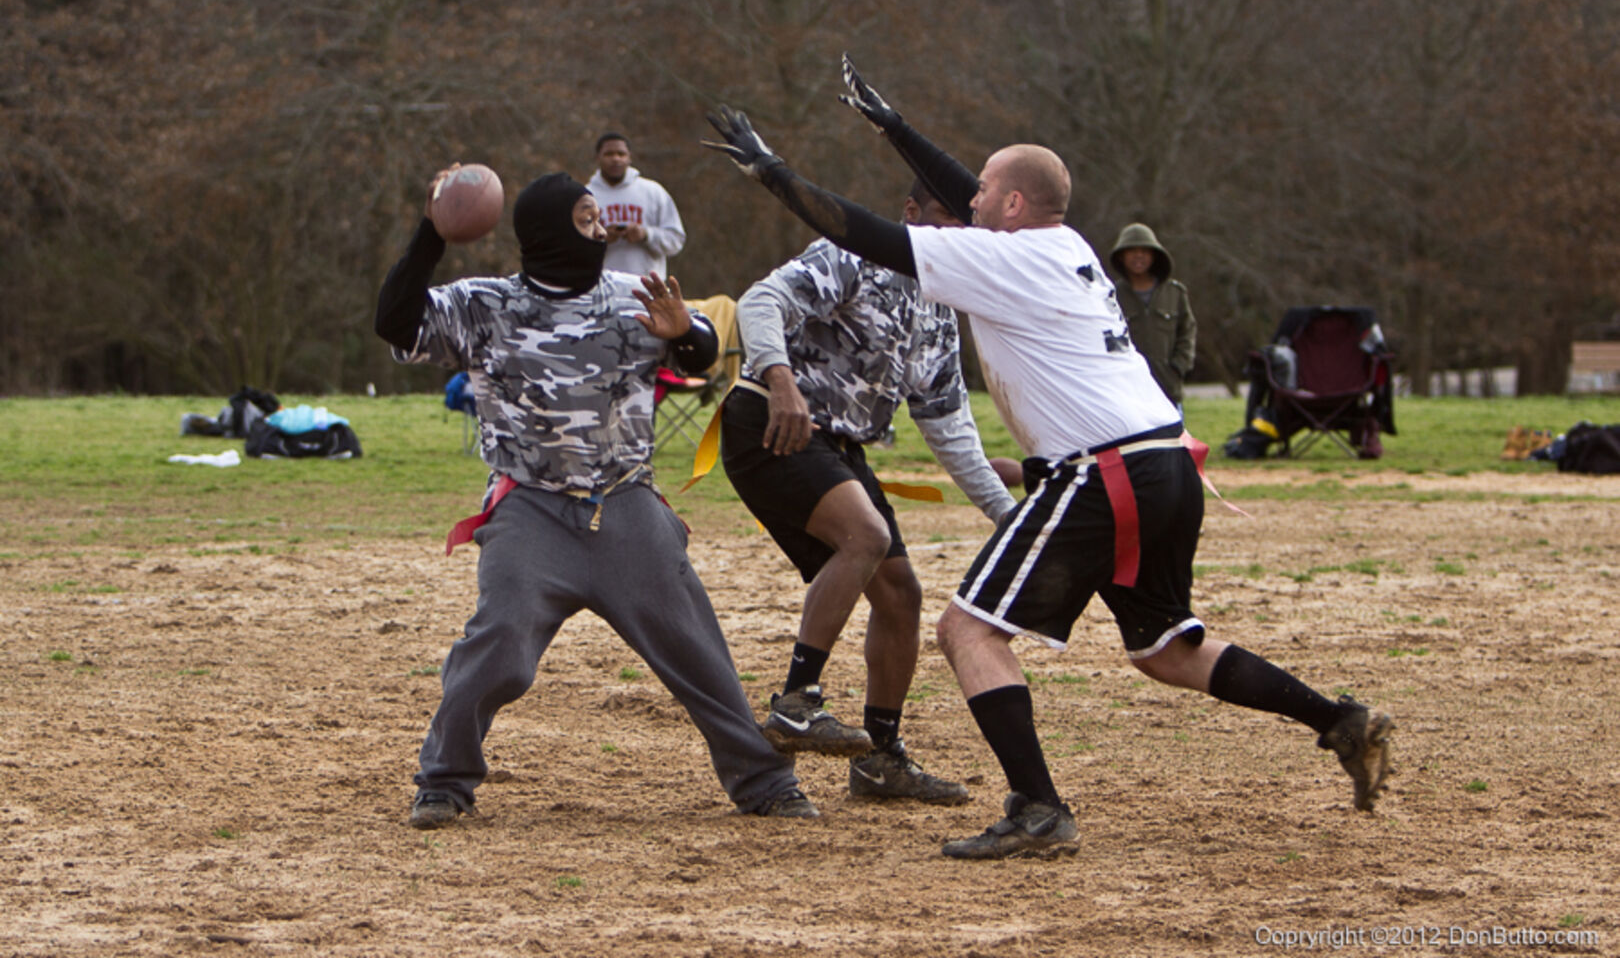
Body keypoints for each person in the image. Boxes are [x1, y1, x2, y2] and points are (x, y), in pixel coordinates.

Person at [700, 55, 1394, 859]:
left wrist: (775, 174)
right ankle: (1339, 720)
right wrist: (895, 130)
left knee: (968, 632)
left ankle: (1038, 807)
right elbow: (979, 192)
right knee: (1169, 651)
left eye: (985, 193)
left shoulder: (1002, 258)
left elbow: (868, 232)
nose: (970, 201)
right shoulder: (1066, 246)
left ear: (1012, 206)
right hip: (1167, 461)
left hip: (1105, 471)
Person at [374, 166, 815, 829]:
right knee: (498, 645)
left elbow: (700, 357)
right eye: (585, 218)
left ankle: (765, 781)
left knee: (696, 650)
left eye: (599, 216)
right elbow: (396, 323)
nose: (601, 229)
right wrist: (431, 234)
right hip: (530, 510)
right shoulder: (484, 305)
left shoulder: (635, 295)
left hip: (625, 503)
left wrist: (684, 333)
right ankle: (443, 781)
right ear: (549, 233)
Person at [721, 178, 1018, 804]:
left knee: (901, 593)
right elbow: (759, 301)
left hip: (837, 446)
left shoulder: (940, 310)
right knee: (866, 535)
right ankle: (797, 703)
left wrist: (1007, 516)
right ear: (909, 211)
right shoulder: (852, 256)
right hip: (767, 420)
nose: (957, 233)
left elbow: (952, 431)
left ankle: (880, 760)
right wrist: (780, 379)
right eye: (944, 217)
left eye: (966, 223)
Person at [1108, 223, 1196, 411]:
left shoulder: (1175, 293)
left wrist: (1178, 367)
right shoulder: (1112, 296)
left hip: (1168, 389)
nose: (1138, 256)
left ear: (1155, 255)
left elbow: (1187, 332)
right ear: (1121, 256)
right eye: (1132, 251)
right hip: (1128, 391)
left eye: (1144, 251)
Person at [587, 132, 687, 279]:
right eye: (609, 154)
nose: (616, 159)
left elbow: (676, 240)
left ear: (630, 158)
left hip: (647, 285)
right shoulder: (585, 196)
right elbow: (570, 247)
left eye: (621, 154)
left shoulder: (653, 191)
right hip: (600, 285)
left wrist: (646, 235)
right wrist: (601, 239)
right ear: (598, 158)